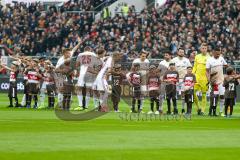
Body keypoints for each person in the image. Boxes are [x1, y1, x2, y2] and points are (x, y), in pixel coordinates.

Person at [206, 48, 228, 116]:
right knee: (213, 97)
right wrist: (208, 79)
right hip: (213, 82)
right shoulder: (209, 60)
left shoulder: (221, 58)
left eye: (219, 53)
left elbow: (226, 65)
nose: (218, 55)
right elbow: (207, 71)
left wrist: (226, 74)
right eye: (217, 54)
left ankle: (221, 111)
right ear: (213, 53)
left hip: (221, 81)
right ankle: (211, 111)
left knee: (222, 96)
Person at [74, 46, 97, 110]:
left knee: (79, 89)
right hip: (90, 73)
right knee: (88, 90)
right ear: (90, 49)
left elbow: (77, 65)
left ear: (84, 50)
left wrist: (77, 72)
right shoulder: (93, 54)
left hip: (82, 73)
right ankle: (86, 106)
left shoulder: (80, 54)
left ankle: (80, 106)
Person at [171, 48, 191, 113]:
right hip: (175, 79)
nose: (181, 53)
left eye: (182, 52)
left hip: (184, 80)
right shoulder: (174, 60)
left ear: (184, 53)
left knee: (183, 94)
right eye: (180, 52)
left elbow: (190, 69)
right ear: (178, 52)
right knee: (174, 94)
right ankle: (175, 108)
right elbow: (171, 68)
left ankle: (183, 108)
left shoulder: (187, 60)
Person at [192, 43, 210, 115]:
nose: (204, 50)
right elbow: (195, 67)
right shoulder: (197, 56)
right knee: (193, 92)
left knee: (204, 94)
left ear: (207, 49)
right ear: (200, 49)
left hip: (204, 79)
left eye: (205, 48)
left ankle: (202, 110)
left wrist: (209, 78)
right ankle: (198, 107)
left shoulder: (209, 58)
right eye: (202, 48)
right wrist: (192, 75)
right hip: (197, 78)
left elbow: (209, 69)